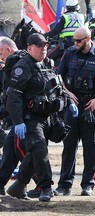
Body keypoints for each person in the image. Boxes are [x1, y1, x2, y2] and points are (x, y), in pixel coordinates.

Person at [5, 33, 79, 202]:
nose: (44, 48)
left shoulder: (48, 63)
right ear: (30, 48)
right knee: (39, 149)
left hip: (48, 116)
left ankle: (18, 186)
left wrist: (69, 103)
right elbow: (14, 96)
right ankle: (45, 186)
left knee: (34, 154)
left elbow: (57, 86)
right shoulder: (22, 66)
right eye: (40, 46)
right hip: (30, 118)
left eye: (45, 45)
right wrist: (18, 122)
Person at [53, 26, 95, 197]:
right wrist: (68, 93)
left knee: (90, 147)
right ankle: (64, 185)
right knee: (69, 146)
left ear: (87, 39)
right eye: (74, 41)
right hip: (73, 104)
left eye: (79, 41)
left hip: (91, 106)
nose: (75, 43)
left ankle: (88, 184)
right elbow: (59, 76)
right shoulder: (70, 53)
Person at [0, 38, 26, 195]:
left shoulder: (20, 65)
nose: (1, 56)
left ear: (8, 50)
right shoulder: (12, 65)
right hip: (16, 117)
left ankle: (43, 186)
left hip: (25, 118)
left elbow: (16, 95)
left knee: (28, 154)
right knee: (10, 151)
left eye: (1, 52)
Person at [45, 0, 85, 66]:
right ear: (76, 7)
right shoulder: (82, 17)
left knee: (47, 57)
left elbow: (56, 31)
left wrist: (46, 35)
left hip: (67, 44)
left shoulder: (64, 17)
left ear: (67, 7)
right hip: (80, 44)